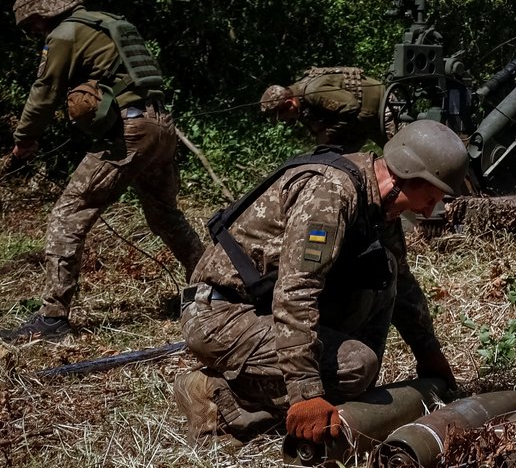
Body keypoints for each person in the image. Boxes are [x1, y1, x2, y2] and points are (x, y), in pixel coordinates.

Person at [173, 119, 466, 447]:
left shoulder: (378, 205)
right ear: (407, 176)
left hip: (262, 305)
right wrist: (305, 391)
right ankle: (216, 395)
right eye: (430, 198)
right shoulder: (330, 193)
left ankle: (331, 392)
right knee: (356, 367)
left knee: (383, 273)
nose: (429, 211)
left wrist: (428, 352)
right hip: (219, 311)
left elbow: (404, 286)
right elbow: (297, 290)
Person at [1, 0, 204, 341]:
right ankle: (212, 287)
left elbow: (44, 91)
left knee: (68, 214)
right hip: (161, 124)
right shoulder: (110, 23)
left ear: (44, 11)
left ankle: (52, 319)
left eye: (32, 25)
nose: (34, 33)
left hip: (130, 131)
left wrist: (24, 140)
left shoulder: (65, 33)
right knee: (165, 215)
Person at [260, 66, 390, 151]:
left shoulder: (313, 93)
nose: (284, 121)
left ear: (289, 104)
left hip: (382, 106)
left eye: (282, 117)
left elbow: (350, 106)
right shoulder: (301, 107)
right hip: (359, 122)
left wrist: (328, 133)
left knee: (403, 156)